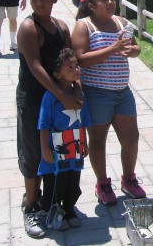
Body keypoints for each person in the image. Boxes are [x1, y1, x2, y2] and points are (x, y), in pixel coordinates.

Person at [17, 0, 83, 238]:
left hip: (60, 101)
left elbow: (70, 61)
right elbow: (35, 66)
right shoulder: (28, 28)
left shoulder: (62, 27)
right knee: (34, 154)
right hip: (34, 100)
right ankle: (32, 205)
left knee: (60, 153)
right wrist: (60, 94)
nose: (39, 2)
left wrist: (76, 89)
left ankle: (54, 203)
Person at [71, 0, 146, 206]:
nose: (110, 3)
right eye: (104, 0)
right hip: (96, 94)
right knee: (98, 140)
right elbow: (81, 59)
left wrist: (133, 51)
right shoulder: (84, 26)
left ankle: (129, 179)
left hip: (122, 92)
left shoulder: (122, 23)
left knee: (131, 138)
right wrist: (113, 49)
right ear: (92, 6)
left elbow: (136, 48)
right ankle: (102, 183)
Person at [38, 47, 91, 231]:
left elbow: (83, 121)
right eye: (70, 67)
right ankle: (52, 211)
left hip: (75, 146)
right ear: (57, 74)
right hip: (56, 149)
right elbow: (44, 124)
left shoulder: (79, 96)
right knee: (55, 183)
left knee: (73, 181)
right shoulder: (50, 97)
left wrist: (85, 142)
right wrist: (45, 148)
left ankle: (69, 210)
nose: (76, 69)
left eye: (76, 65)